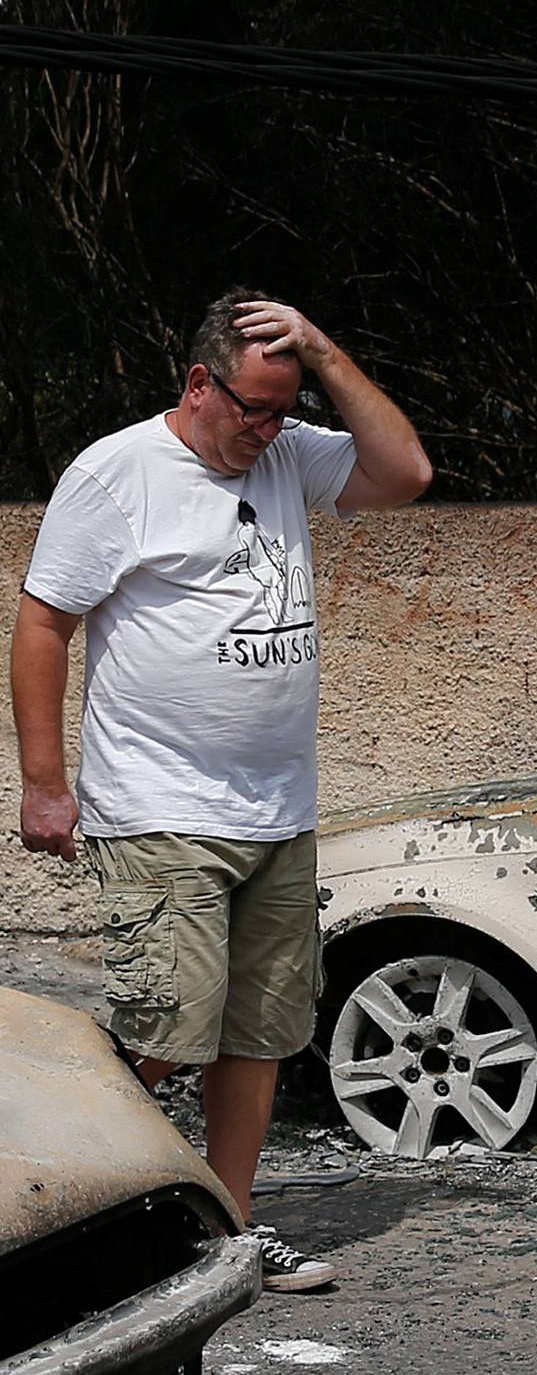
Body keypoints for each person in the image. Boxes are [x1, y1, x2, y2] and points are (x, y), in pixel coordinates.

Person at [10, 292, 432, 1289]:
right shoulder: (117, 474)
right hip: (159, 808)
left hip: (275, 811)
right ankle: (53, 1195)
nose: (268, 429)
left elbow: (406, 471)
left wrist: (324, 349)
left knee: (257, 1034)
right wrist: (42, 783)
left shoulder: (287, 454)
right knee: (172, 1029)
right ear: (199, 384)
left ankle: (227, 1234)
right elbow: (41, 627)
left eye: (284, 409)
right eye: (252, 407)